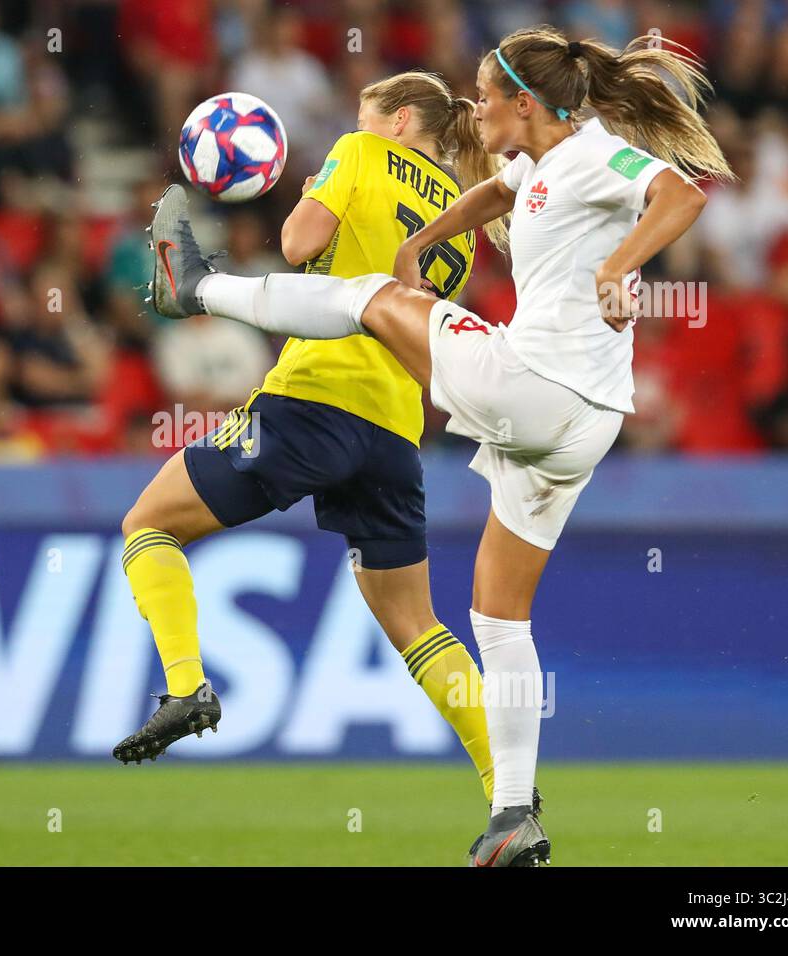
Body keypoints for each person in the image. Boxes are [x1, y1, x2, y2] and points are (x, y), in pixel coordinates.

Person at [149, 28, 732, 866]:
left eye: (487, 98)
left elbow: (682, 195)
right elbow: (498, 196)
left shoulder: (598, 157)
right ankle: (512, 818)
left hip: (532, 386)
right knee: (497, 614)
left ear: (525, 104)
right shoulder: (543, 161)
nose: (475, 109)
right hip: (584, 426)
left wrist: (621, 267)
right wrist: (427, 239)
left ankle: (195, 286)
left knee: (369, 299)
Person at [115, 71, 505, 814]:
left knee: (148, 525)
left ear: (396, 121)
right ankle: (508, 793)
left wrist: (304, 195)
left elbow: (299, 245)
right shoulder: (462, 219)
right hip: (394, 430)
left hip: (313, 398)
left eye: (362, 117)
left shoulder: (360, 151)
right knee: (419, 625)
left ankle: (186, 684)